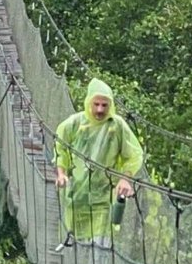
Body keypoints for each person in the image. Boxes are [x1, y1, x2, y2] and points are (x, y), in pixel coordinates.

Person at [54, 78, 143, 248]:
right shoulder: (74, 124)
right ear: (89, 103)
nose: (100, 110)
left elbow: (135, 154)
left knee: (100, 253)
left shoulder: (117, 126)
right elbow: (60, 146)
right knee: (76, 252)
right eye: (96, 104)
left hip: (104, 200)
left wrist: (126, 179)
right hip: (76, 198)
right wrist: (61, 172)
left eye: (105, 105)